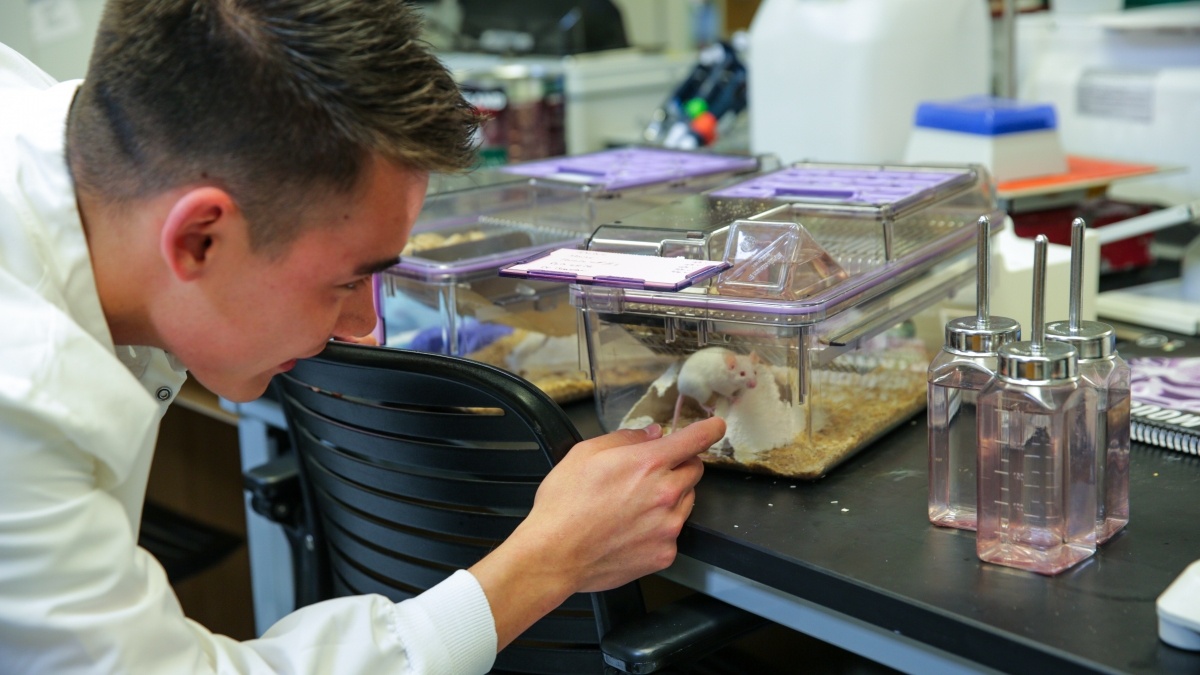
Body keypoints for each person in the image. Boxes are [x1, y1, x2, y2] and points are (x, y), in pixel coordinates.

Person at [0, 1, 726, 673]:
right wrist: (547, 562)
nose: (363, 330)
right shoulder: (20, 393)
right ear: (198, 239)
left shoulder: (70, 138)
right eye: (347, 282)